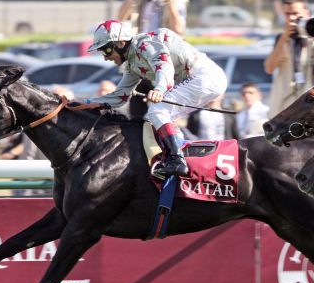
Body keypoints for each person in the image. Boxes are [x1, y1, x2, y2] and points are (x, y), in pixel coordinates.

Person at [85, 19, 227, 178]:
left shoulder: (143, 44)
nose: (106, 57)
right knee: (157, 117)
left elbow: (163, 64)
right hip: (201, 80)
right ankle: (177, 157)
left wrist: (159, 88)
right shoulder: (132, 64)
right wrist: (85, 104)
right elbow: (120, 96)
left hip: (205, 76)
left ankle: (177, 161)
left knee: (157, 110)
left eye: (106, 50)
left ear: (120, 43)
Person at [264, 0, 314, 116]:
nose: (292, 18)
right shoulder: (282, 39)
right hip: (286, 106)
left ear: (307, 12)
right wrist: (284, 37)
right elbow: (269, 68)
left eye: (295, 13)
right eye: (287, 14)